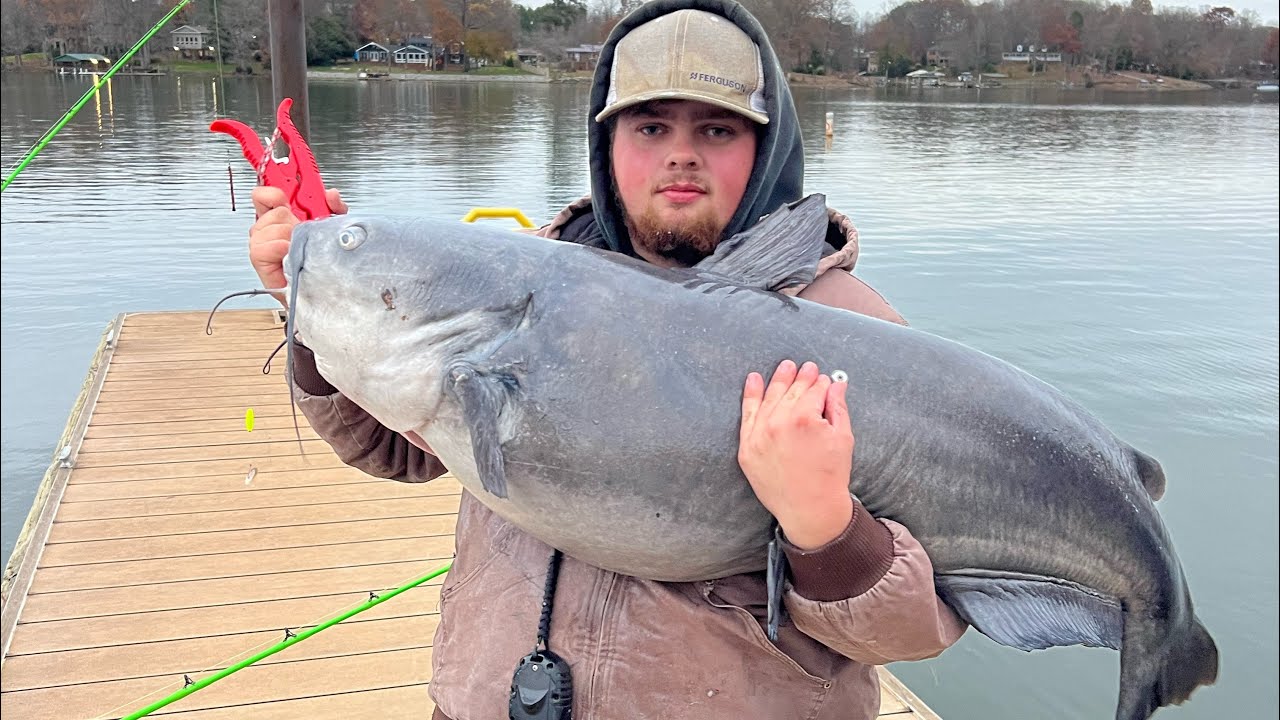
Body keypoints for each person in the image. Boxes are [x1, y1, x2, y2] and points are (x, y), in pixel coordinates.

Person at [248, 1, 966, 718]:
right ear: (608, 143)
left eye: (716, 128)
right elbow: (392, 450)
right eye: (650, 126)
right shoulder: (521, 281)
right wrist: (318, 310)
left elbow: (911, 630)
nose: (680, 153)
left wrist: (826, 528)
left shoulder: (851, 335)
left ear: (766, 146)